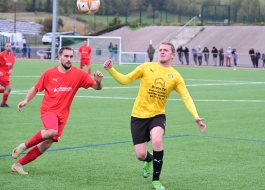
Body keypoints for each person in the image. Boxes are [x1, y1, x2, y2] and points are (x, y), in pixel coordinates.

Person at [103, 42, 206, 190]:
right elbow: (125, 80)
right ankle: (149, 159)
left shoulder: (175, 76)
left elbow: (186, 97)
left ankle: (156, 180)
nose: (162, 52)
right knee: (140, 155)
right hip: (138, 115)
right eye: (161, 50)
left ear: (172, 55)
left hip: (157, 115)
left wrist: (195, 116)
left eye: (166, 50)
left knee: (157, 140)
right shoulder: (146, 67)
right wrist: (111, 69)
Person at [11, 46, 104, 175]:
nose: (69, 59)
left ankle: (18, 164)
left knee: (47, 143)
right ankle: (23, 146)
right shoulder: (49, 73)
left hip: (63, 115)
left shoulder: (80, 74)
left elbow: (97, 87)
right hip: (48, 109)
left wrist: (99, 82)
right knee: (52, 131)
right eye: (66, 56)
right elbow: (36, 88)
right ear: (59, 57)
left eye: (71, 57)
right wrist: (26, 100)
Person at [0, 42, 15, 107]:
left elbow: (12, 64)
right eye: (7, 46)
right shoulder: (1, 55)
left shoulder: (12, 55)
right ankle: (3, 104)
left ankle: (3, 104)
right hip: (1, 75)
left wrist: (11, 70)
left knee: (9, 89)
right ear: (4, 47)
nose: (8, 47)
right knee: (8, 88)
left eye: (9, 46)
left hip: (6, 75)